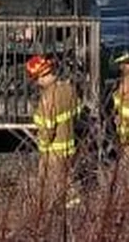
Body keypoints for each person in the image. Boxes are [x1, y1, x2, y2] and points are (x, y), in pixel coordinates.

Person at [27, 55, 81, 208]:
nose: (37, 84)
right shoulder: (68, 88)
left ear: (41, 77)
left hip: (53, 151)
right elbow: (77, 111)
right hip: (69, 146)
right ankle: (75, 211)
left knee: (51, 187)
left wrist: (42, 147)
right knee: (69, 182)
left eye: (36, 79)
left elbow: (47, 130)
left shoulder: (47, 99)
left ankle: (52, 216)